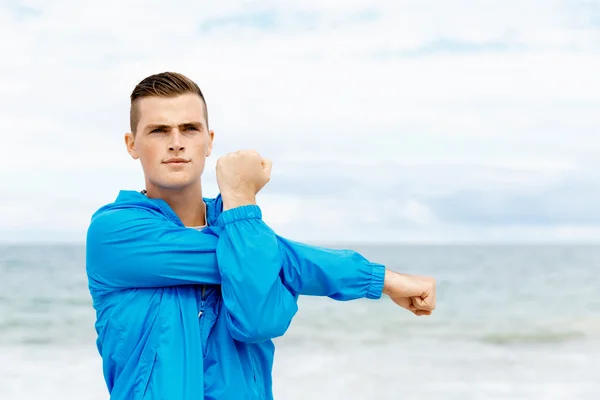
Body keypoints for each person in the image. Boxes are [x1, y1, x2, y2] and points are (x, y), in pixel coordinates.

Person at [85, 71, 436, 400]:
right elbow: (282, 260)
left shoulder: (242, 232)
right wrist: (240, 197)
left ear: (209, 142)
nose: (176, 143)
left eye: (189, 128)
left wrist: (239, 214)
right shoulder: (115, 232)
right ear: (132, 144)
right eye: (159, 130)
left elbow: (259, 321)